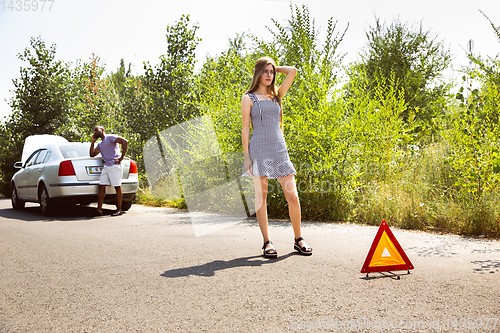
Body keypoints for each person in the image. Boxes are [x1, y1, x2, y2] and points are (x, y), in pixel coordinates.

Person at [241, 57, 312, 258]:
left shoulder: (277, 95)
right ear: (257, 74)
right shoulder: (249, 98)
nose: (269, 75)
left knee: (293, 196)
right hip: (259, 150)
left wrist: (273, 65)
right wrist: (247, 157)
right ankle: (267, 242)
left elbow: (293, 71)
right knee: (261, 198)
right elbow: (245, 129)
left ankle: (298, 239)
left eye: (271, 72)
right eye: (265, 71)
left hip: (279, 150)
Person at [89, 125, 128, 216]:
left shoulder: (110, 137)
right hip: (106, 166)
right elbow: (92, 154)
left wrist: (121, 158)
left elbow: (124, 141)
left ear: (103, 130)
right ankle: (99, 210)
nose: (95, 132)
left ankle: (119, 210)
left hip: (115, 165)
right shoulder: (100, 144)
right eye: (94, 131)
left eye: (97, 130)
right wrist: (92, 142)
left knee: (117, 187)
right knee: (101, 186)